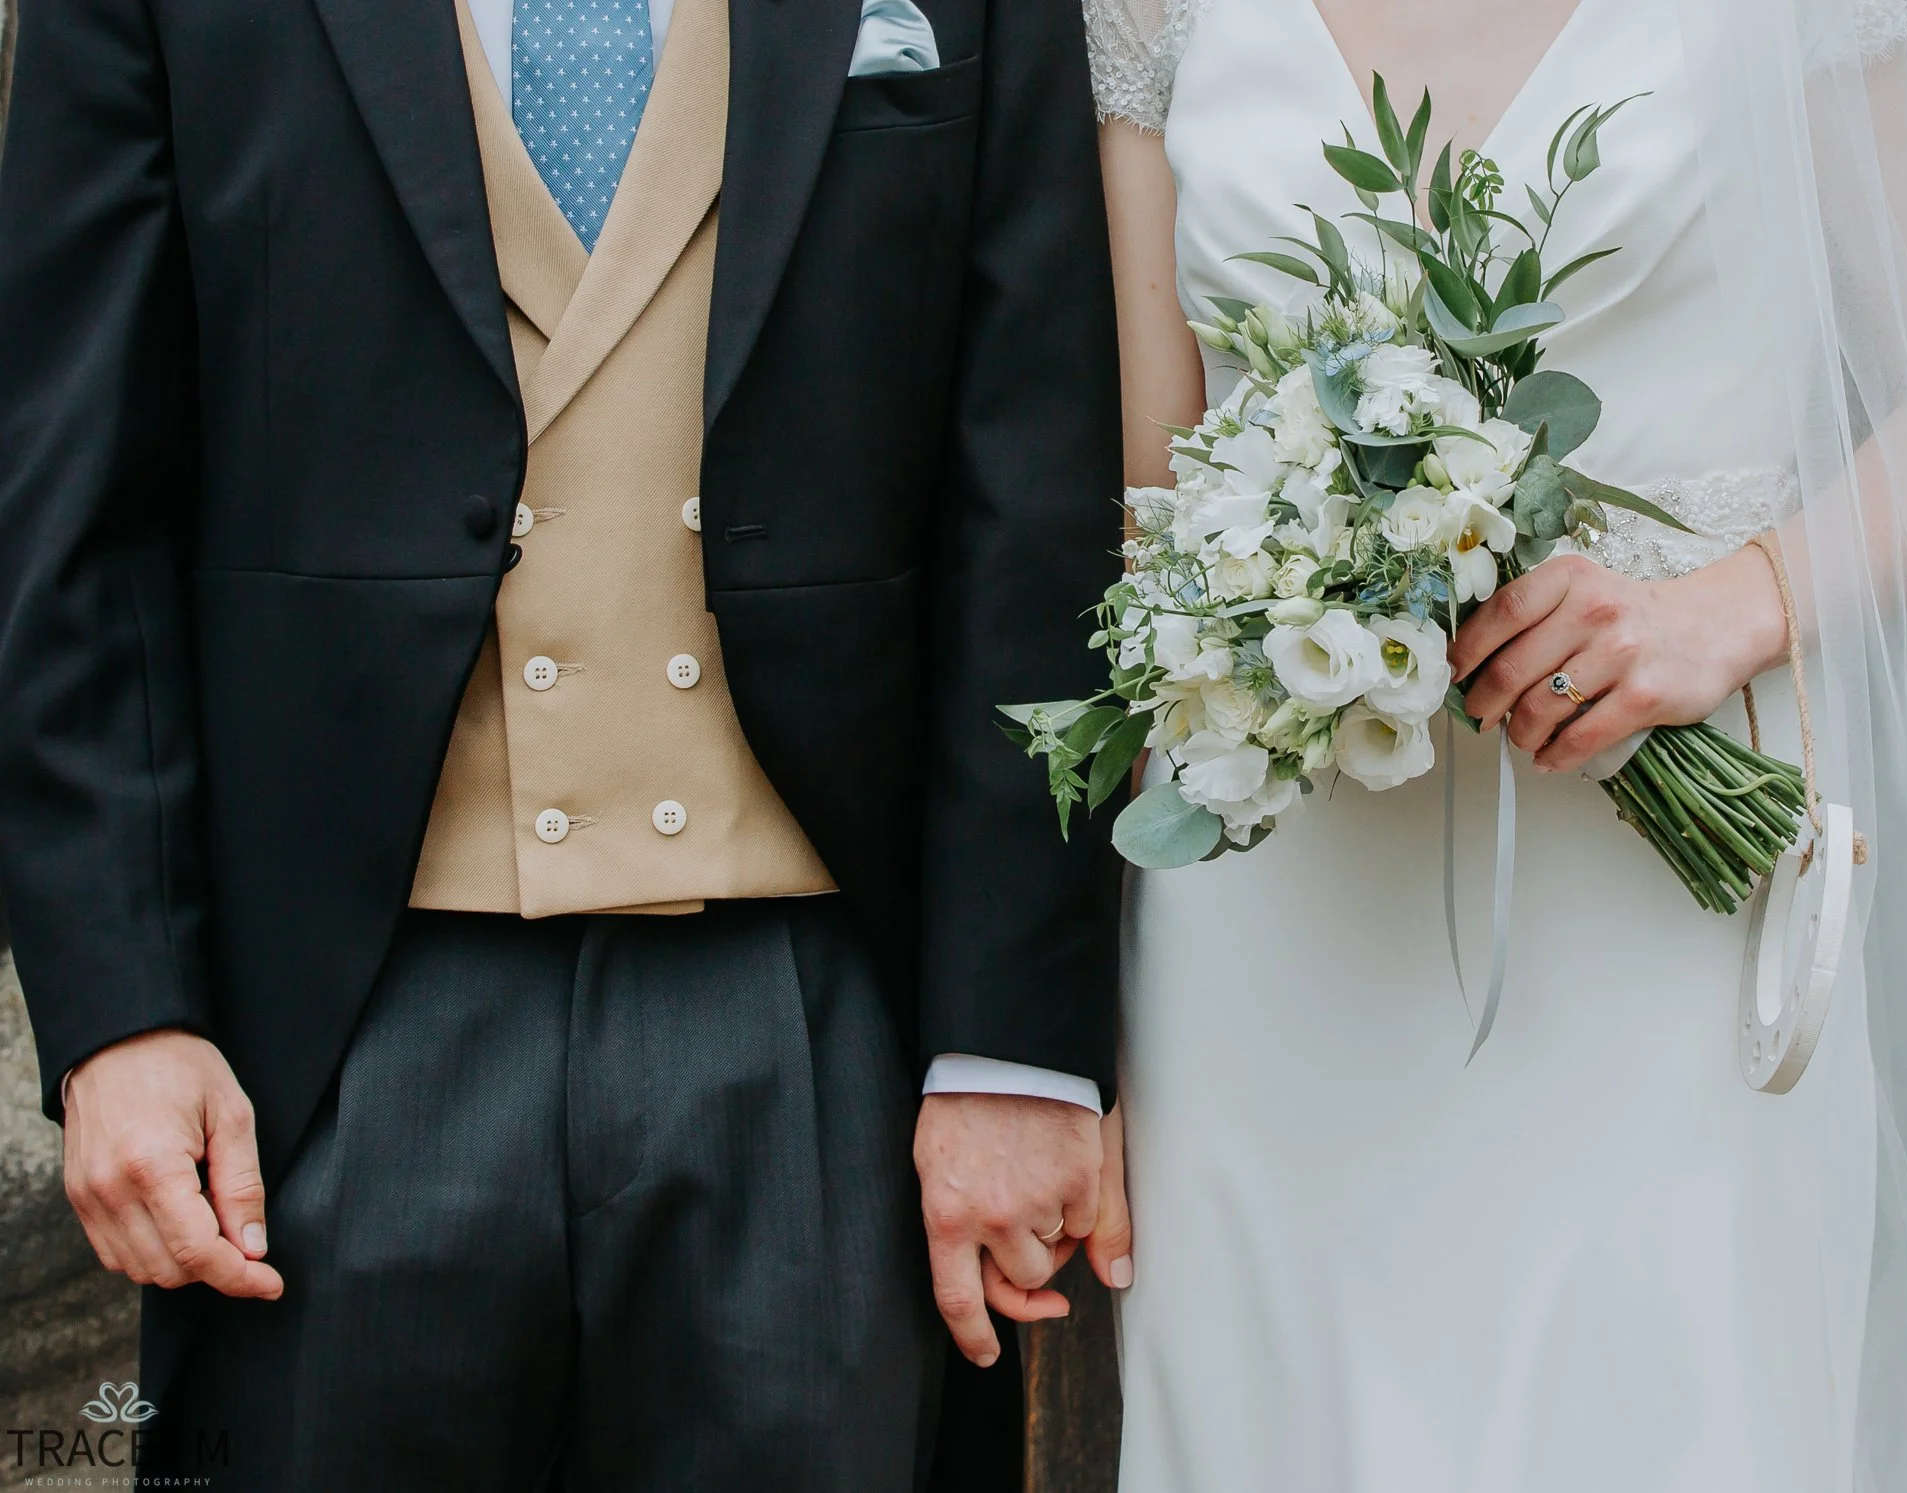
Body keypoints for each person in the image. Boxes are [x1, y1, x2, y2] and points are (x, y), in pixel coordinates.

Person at [0, 0, 1126, 1483]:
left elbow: (1034, 496)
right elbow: (74, 510)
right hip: (336, 1034)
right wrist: (123, 1012)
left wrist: (1016, 1049)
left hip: (817, 1022)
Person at [1084, 0, 1907, 1485]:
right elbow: (1155, 488)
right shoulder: (1151, 12)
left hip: (1667, 916)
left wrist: (1730, 608)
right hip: (1278, 931)